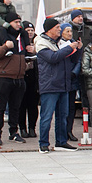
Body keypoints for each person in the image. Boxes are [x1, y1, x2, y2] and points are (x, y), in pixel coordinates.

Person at [34, 17, 82, 152]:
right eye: (57, 28)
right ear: (49, 30)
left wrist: (77, 49)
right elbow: (53, 58)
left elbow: (71, 59)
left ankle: (61, 141)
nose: (60, 30)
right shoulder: (41, 43)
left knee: (63, 115)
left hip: (64, 84)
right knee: (47, 116)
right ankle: (43, 143)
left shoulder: (61, 42)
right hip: (50, 85)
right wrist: (69, 48)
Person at [0, 14, 30, 145]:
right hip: (3, 76)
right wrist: (5, 47)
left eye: (20, 22)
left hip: (19, 77)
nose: (19, 24)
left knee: (15, 107)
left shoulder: (21, 36)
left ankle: (13, 132)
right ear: (8, 23)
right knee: (0, 107)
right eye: (16, 22)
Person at [18, 22, 40, 139]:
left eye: (32, 30)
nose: (30, 33)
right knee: (22, 105)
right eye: (27, 30)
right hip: (22, 78)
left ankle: (32, 127)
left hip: (34, 79)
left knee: (33, 105)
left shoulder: (38, 42)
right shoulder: (20, 42)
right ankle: (22, 128)